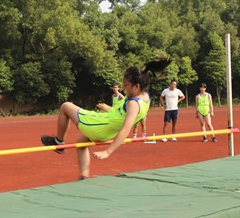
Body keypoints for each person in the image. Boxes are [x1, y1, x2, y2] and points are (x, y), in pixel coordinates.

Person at [41, 57, 170, 179]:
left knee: (65, 107)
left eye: (126, 86)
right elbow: (120, 114)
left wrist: (108, 152)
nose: (124, 89)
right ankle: (84, 176)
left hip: (99, 127)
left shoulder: (133, 104)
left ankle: (59, 142)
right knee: (81, 144)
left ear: (136, 86)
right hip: (105, 127)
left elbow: (125, 130)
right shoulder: (144, 97)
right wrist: (107, 108)